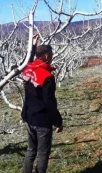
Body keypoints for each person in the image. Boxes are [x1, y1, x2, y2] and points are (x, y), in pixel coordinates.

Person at [21, 35, 63, 173]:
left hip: (28, 116)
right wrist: (58, 121)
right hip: (42, 120)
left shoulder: (28, 69)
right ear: (46, 56)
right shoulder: (47, 77)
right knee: (43, 153)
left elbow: (30, 59)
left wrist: (33, 46)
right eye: (51, 55)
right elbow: (49, 102)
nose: (52, 57)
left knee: (31, 150)